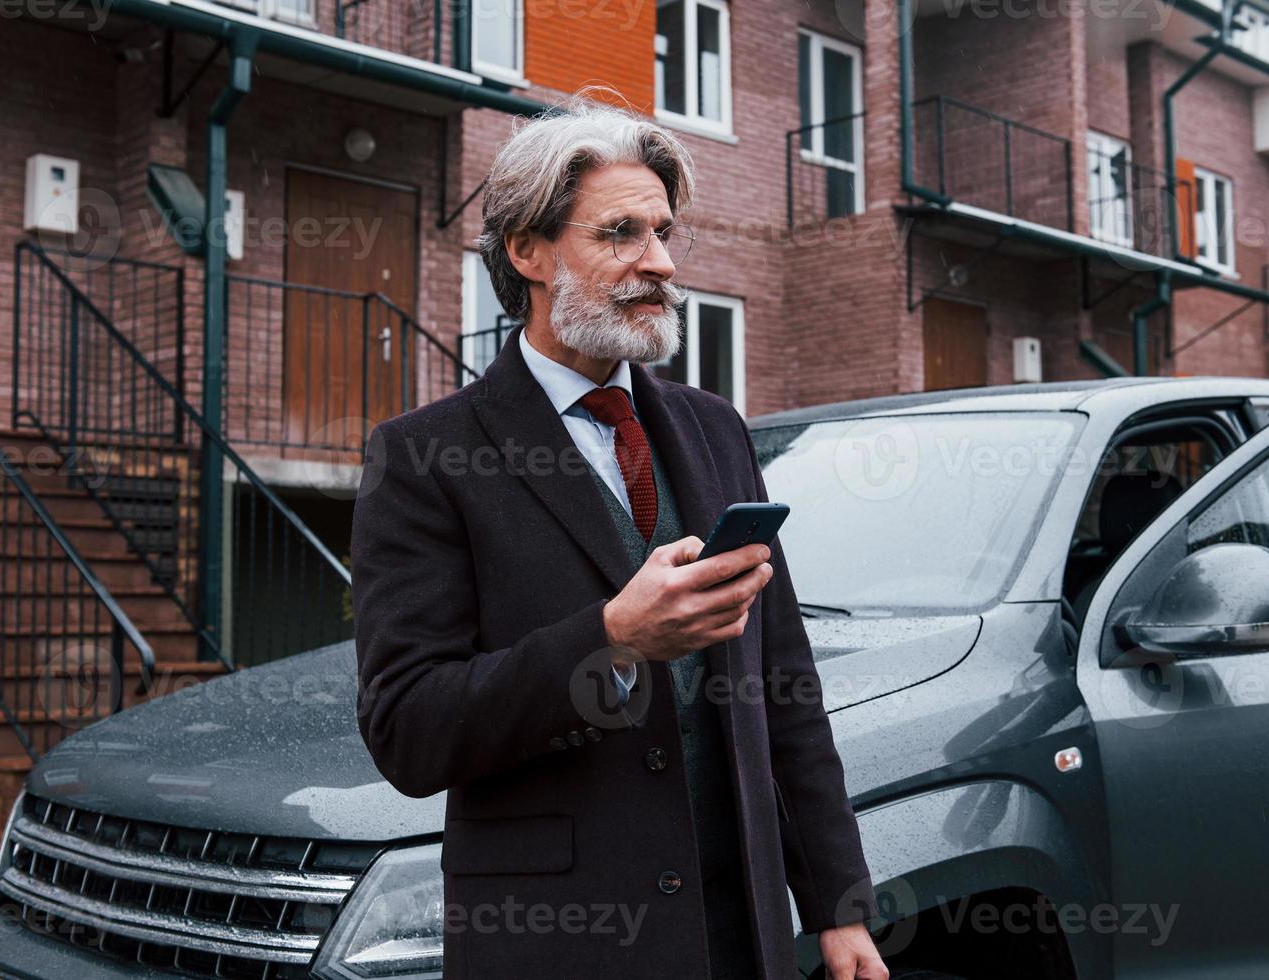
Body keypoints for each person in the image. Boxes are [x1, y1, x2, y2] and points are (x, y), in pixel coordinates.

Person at [351, 90, 887, 980]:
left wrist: (839, 906)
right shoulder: (426, 457)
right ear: (527, 251)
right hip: (559, 947)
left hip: (736, 934)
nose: (663, 263)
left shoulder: (716, 430)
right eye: (620, 235)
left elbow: (785, 694)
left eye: (665, 232)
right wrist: (611, 640)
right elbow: (409, 731)